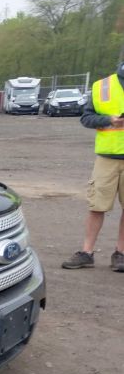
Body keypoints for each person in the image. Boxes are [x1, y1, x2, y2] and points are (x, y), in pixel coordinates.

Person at [62, 60, 124, 271]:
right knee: (97, 206)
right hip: (107, 158)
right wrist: (108, 119)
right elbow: (86, 118)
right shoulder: (102, 86)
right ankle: (87, 253)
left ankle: (120, 254)